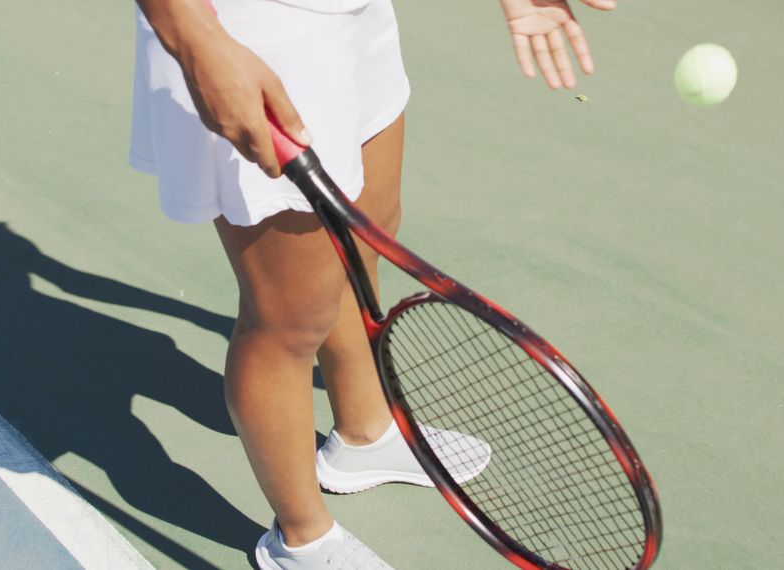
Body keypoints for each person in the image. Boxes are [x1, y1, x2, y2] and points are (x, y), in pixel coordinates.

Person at [129, 0, 616, 567]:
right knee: (288, 315)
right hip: (252, 24)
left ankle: (365, 434)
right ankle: (301, 540)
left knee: (369, 229)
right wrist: (195, 38)